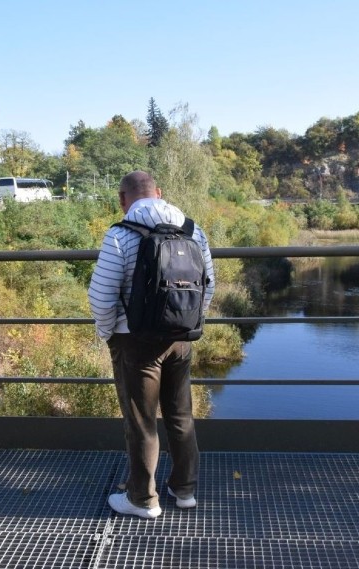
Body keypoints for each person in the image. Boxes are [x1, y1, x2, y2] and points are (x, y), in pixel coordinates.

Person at [88, 170, 216, 518]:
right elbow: (209, 286)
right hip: (181, 340)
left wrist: (109, 333)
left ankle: (143, 499)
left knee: (142, 421)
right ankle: (184, 489)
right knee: (181, 415)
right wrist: (188, 321)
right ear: (159, 193)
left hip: (136, 342)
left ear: (122, 199)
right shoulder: (192, 230)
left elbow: (101, 296)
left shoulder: (119, 234)